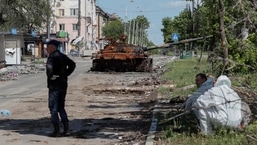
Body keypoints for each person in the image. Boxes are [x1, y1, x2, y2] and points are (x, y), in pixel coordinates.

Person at [45, 40, 76, 137]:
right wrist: (65, 74)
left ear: (53, 47)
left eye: (48, 47)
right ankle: (66, 129)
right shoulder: (62, 56)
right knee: (61, 107)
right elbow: (72, 64)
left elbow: (49, 68)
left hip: (54, 86)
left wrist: (51, 76)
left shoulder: (52, 57)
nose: (46, 49)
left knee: (53, 108)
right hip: (63, 84)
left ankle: (56, 130)